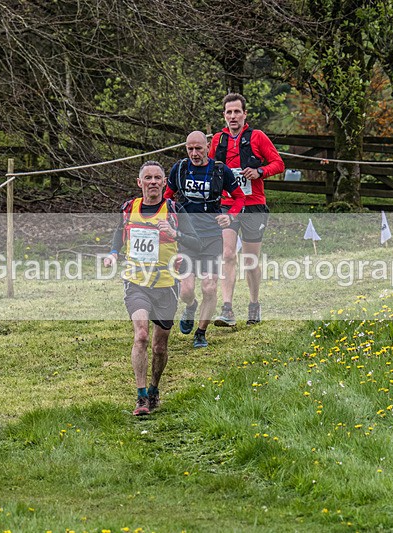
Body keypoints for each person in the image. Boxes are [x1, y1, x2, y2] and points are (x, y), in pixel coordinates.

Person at [102, 160, 201, 416]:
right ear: (140, 182)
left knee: (159, 346)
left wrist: (176, 237)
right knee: (142, 335)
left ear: (164, 183)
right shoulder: (129, 208)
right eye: (148, 178)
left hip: (166, 285)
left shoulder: (175, 210)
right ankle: (141, 397)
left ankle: (155, 389)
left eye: (158, 178)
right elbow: (119, 233)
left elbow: (196, 243)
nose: (153, 182)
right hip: (136, 283)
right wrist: (113, 253)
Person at [209, 92, 285, 326]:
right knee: (228, 254)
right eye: (229, 112)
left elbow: (279, 163)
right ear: (224, 115)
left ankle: (254, 304)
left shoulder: (257, 137)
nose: (233, 116)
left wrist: (260, 171)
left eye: (237, 112)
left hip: (253, 205)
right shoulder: (217, 140)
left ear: (244, 114)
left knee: (250, 260)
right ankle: (227, 308)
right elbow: (210, 167)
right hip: (228, 205)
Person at [165, 131, 246, 348]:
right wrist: (169, 219)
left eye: (198, 148)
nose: (194, 153)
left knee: (209, 286)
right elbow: (167, 198)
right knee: (186, 291)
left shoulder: (220, 171)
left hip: (211, 237)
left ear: (207, 146)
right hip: (187, 237)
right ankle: (190, 307)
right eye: (190, 148)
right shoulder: (180, 169)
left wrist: (229, 216)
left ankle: (200, 332)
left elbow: (240, 197)